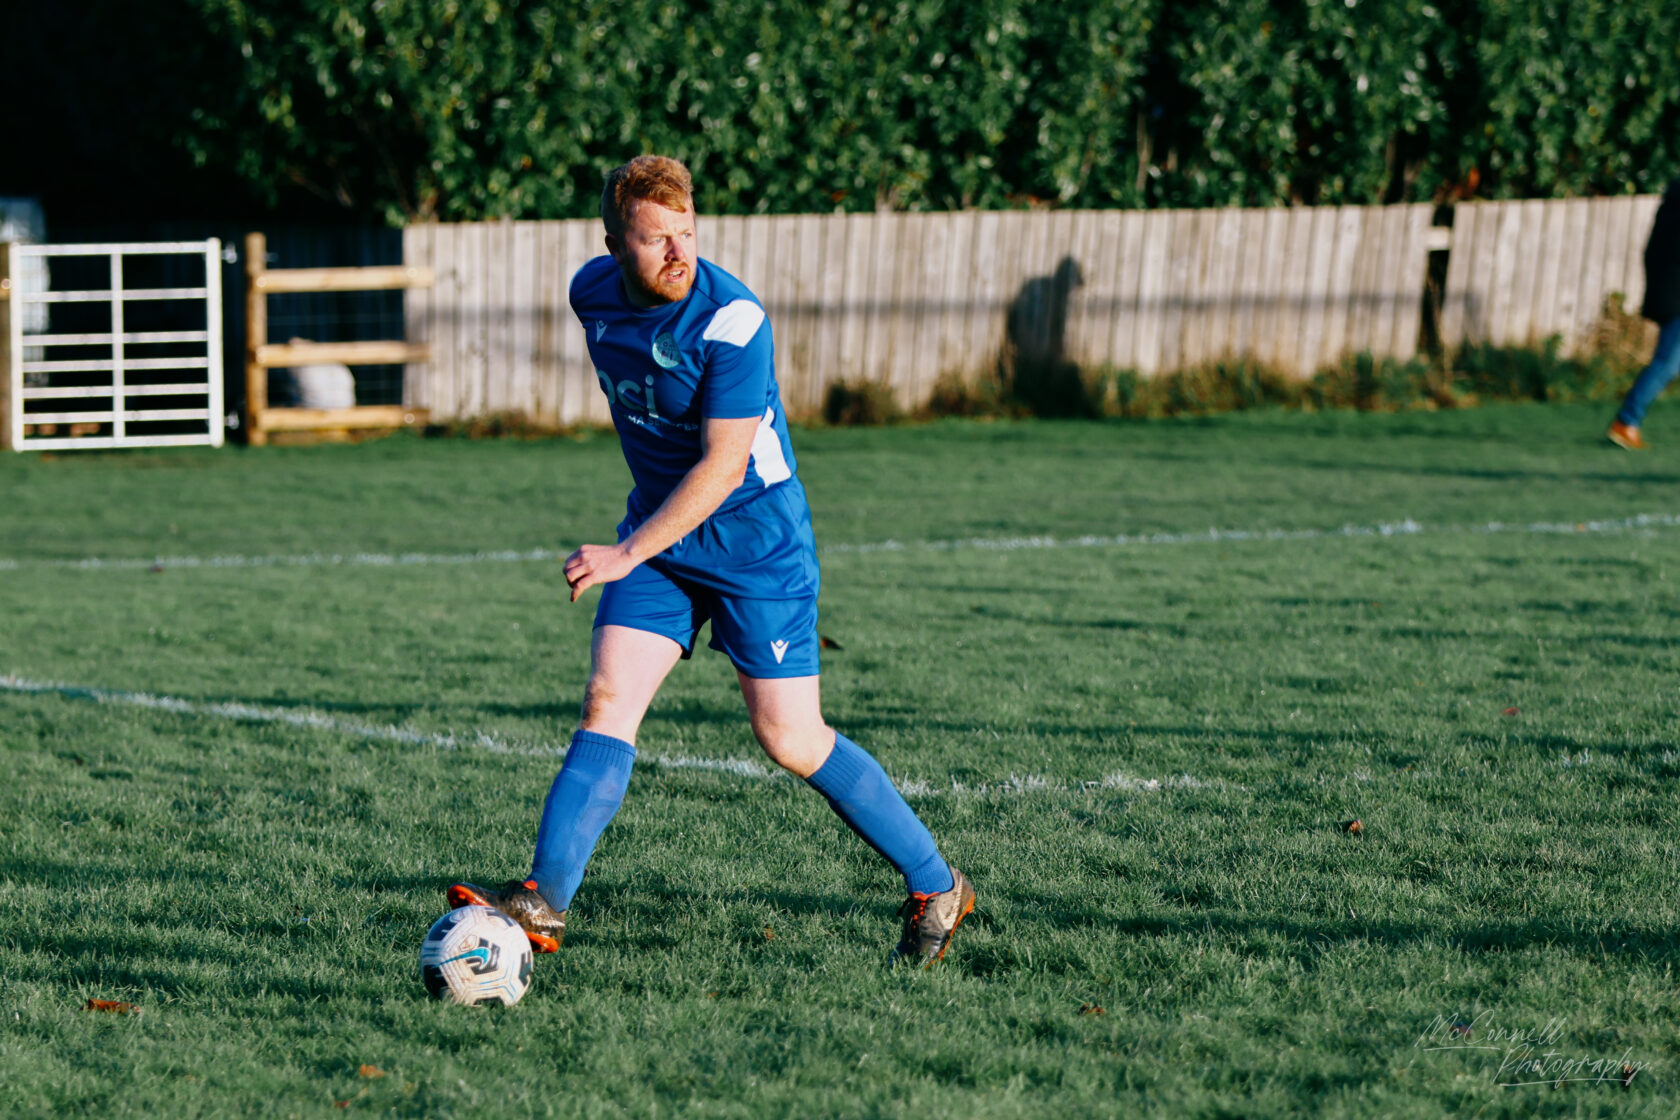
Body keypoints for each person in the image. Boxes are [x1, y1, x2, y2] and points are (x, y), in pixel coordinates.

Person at [447, 155, 974, 968]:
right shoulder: (591, 293)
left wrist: (624, 552)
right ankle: (543, 900)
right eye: (656, 238)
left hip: (755, 545)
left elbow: (723, 467)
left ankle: (937, 884)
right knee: (607, 697)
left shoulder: (734, 321)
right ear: (614, 243)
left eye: (687, 233)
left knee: (790, 738)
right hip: (661, 537)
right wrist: (640, 546)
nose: (677, 254)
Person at [1608, 178, 1680, 450]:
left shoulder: (1669, 214)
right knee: (1667, 364)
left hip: (1667, 297)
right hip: (1676, 301)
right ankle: (1627, 421)